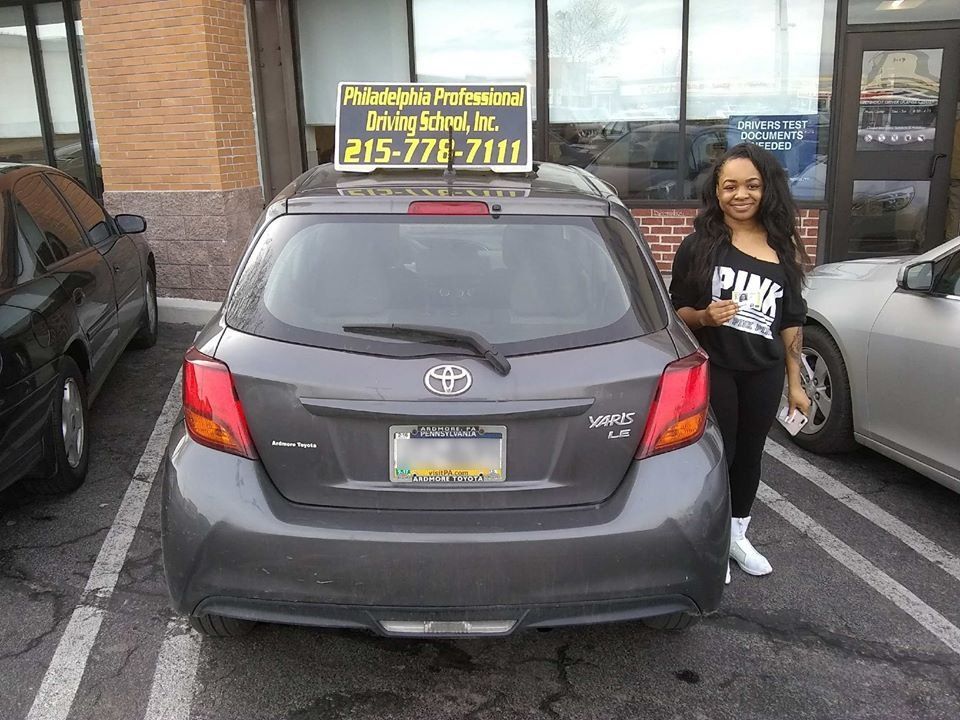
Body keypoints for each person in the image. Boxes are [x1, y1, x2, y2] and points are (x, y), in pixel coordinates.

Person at [669, 142, 812, 584]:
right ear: (717, 191)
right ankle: (710, 538)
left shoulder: (782, 249)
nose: (741, 194)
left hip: (763, 371)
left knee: (750, 455)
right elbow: (676, 314)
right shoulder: (699, 246)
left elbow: (790, 323)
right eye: (729, 186)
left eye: (752, 185)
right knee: (718, 455)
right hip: (718, 368)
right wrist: (705, 316)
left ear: (766, 189)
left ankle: (736, 536)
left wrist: (796, 383)